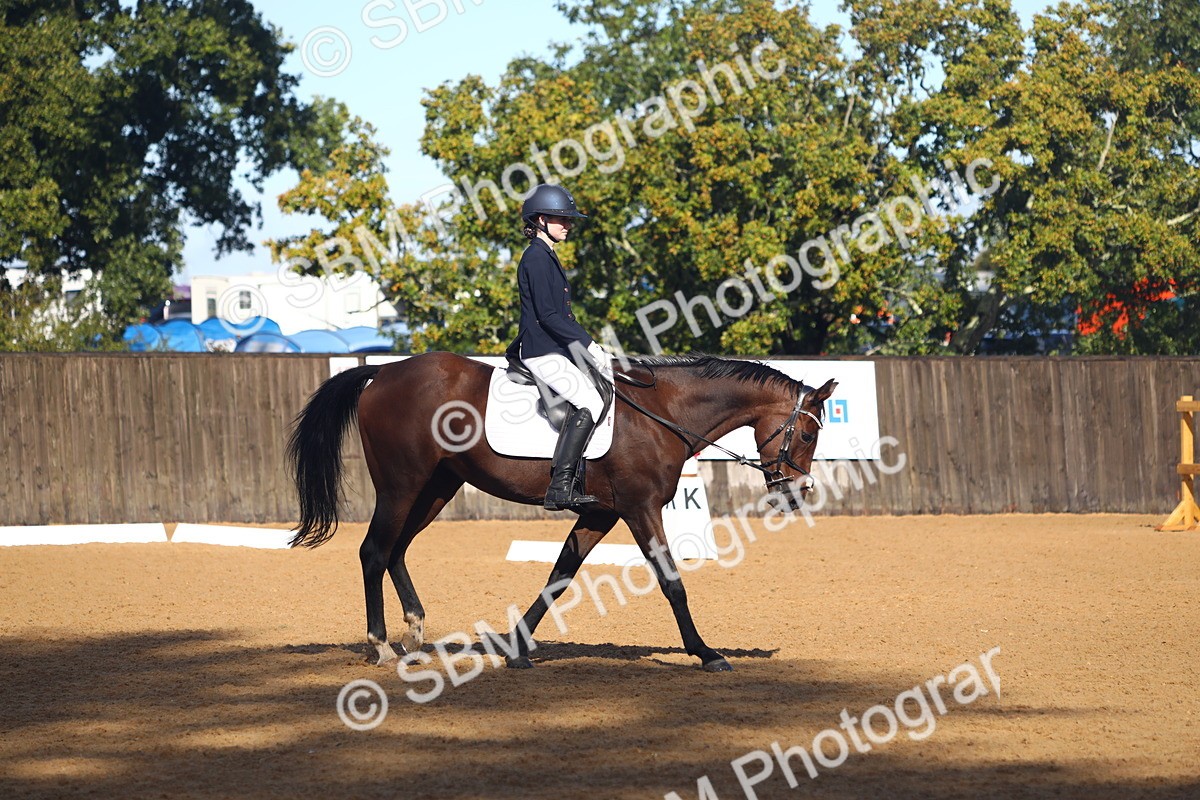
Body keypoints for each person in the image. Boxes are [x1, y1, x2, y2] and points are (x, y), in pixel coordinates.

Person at [510, 184, 609, 511]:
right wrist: (589, 346)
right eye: (560, 219)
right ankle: (560, 487)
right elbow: (550, 316)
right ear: (540, 220)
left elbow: (562, 314)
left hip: (556, 348)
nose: (568, 225)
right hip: (541, 350)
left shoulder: (546, 256)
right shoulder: (536, 258)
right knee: (591, 402)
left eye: (568, 220)